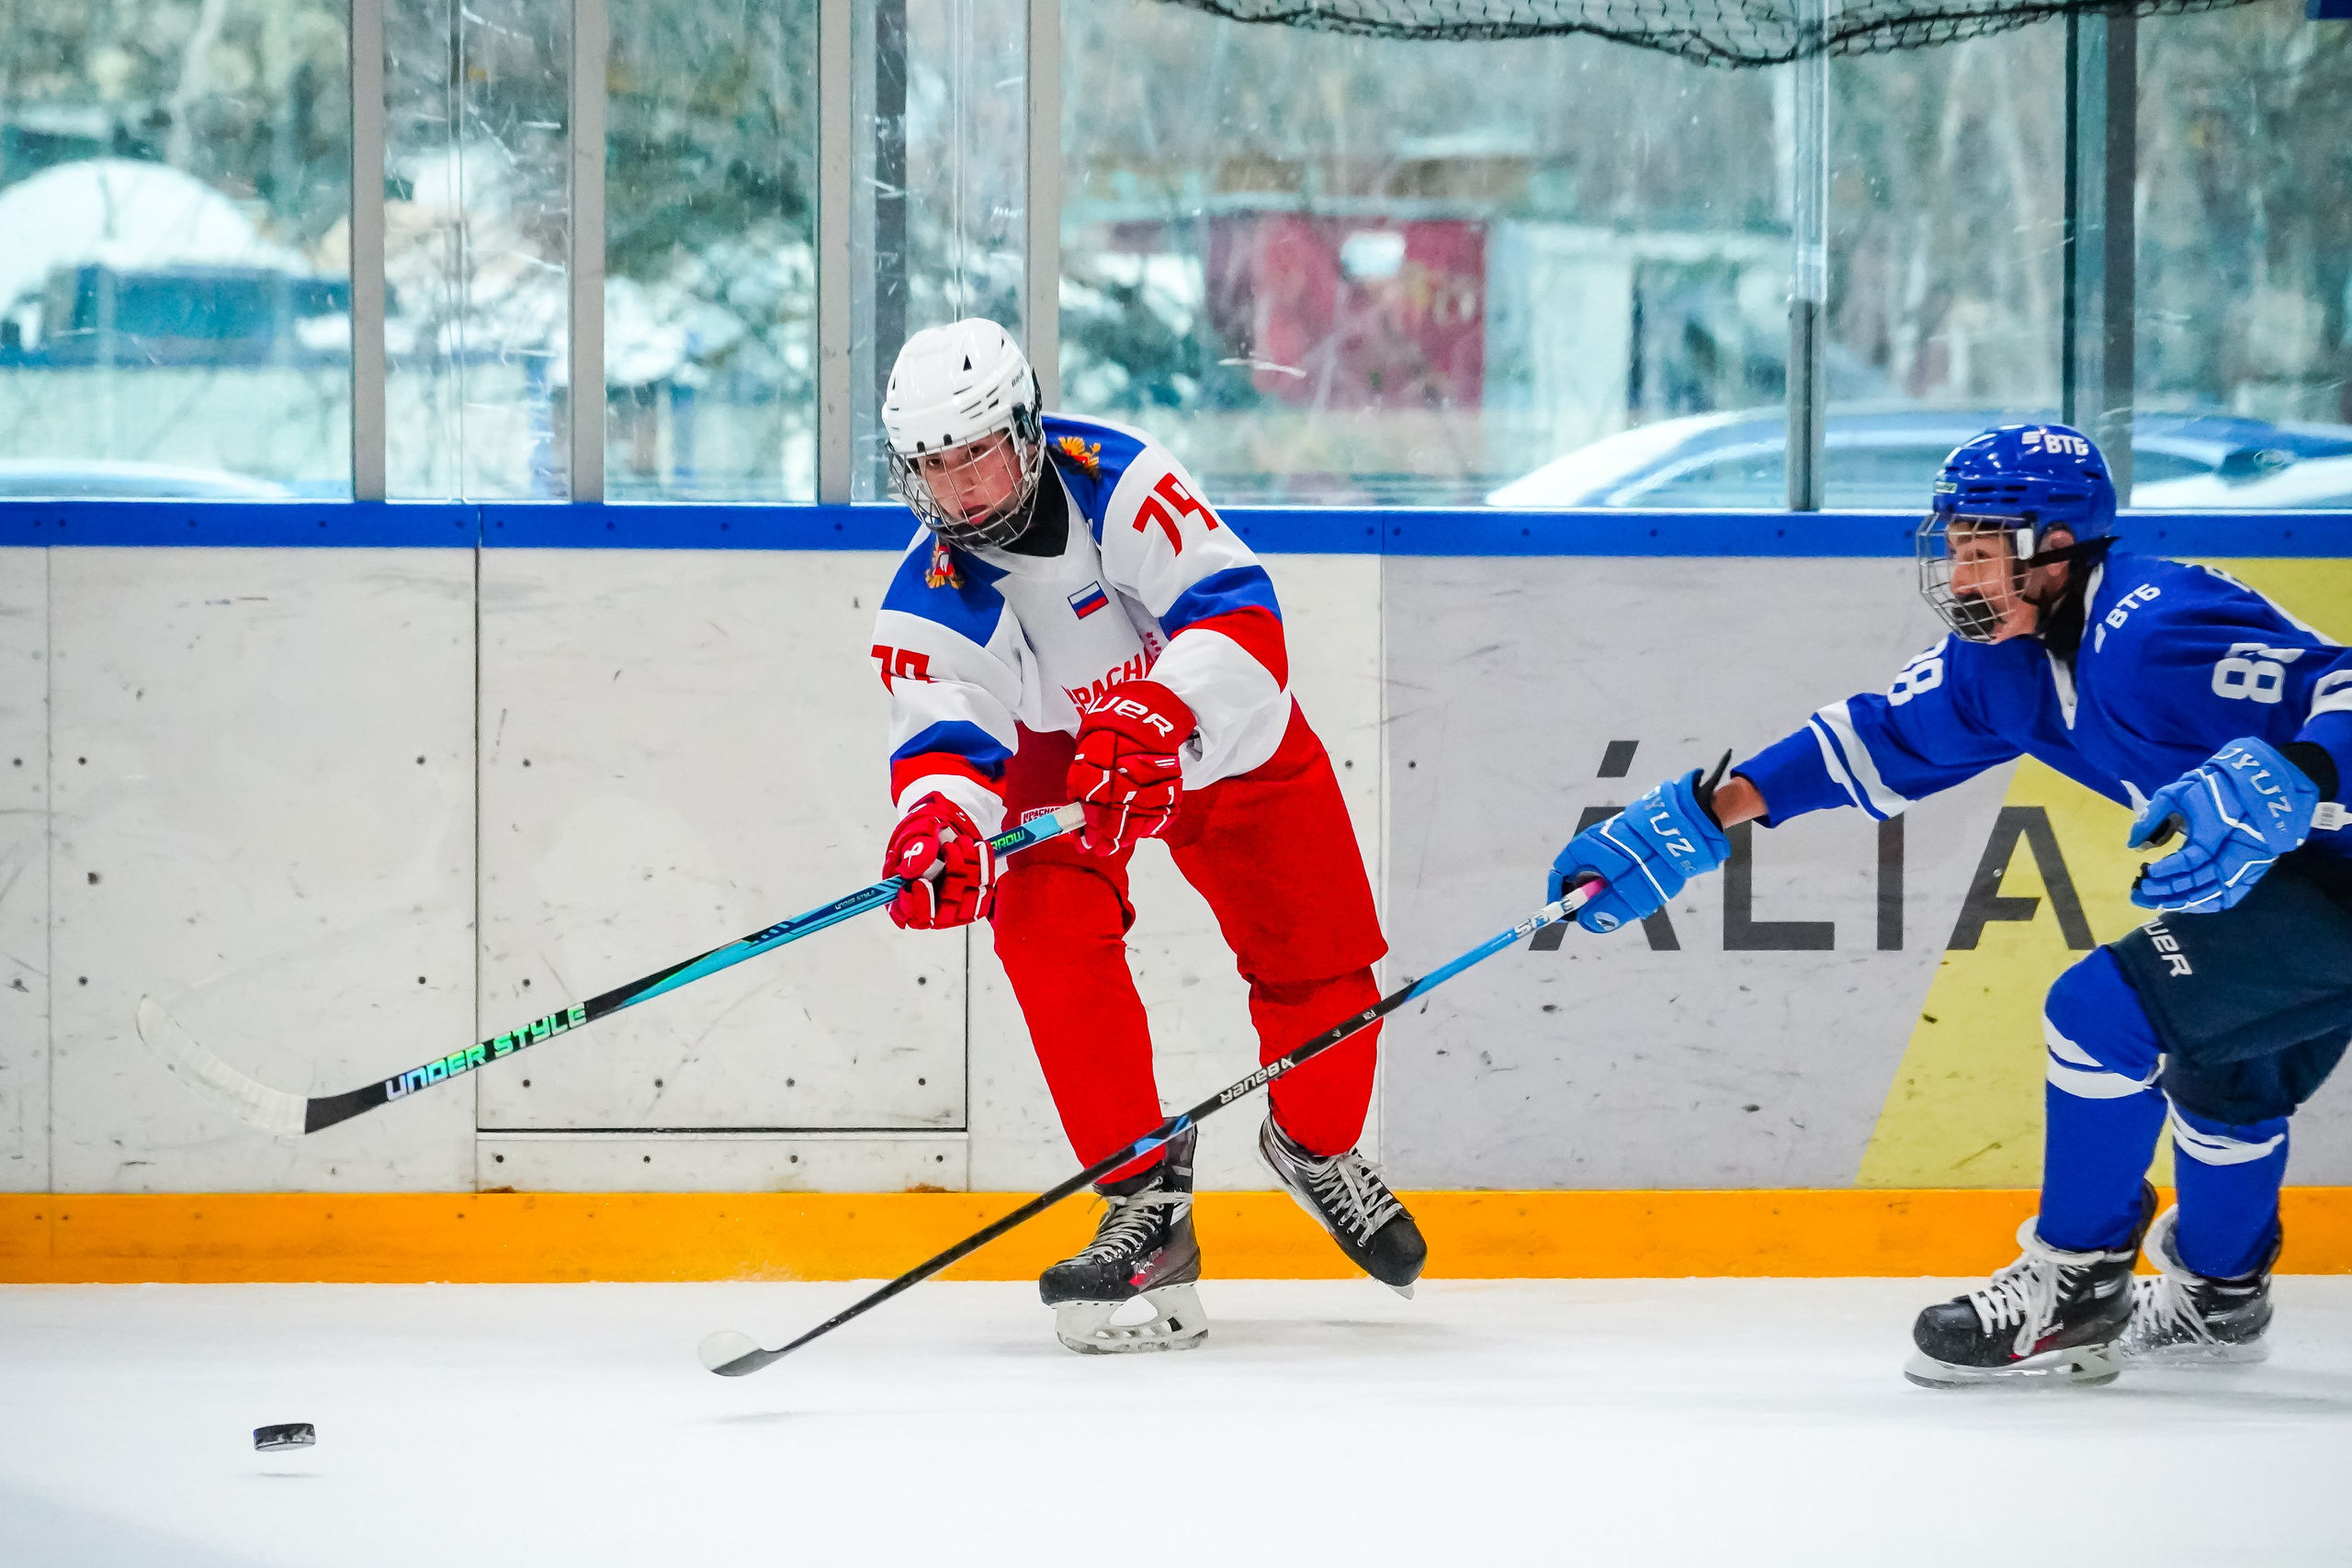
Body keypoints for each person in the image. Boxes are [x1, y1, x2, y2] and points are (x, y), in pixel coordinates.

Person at [1544, 423, 2351, 1387]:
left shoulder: (2153, 627)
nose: (1960, 574)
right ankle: (2219, 1300)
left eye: (1983, 550)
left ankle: (2077, 1281)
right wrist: (1701, 820)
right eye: (1954, 546)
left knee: (2099, 1013)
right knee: (2226, 1082)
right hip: (2298, 882)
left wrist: (2306, 768)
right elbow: (1885, 736)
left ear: (2057, 548)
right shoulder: (2004, 664)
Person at [866, 318, 1425, 1355]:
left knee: (1328, 973)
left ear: (1026, 430)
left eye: (978, 452)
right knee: (1041, 934)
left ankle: (1314, 1146)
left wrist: (1160, 714)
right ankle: (1145, 1204)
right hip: (1062, 762)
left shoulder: (1119, 479)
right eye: (935, 467)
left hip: (1223, 735)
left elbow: (1240, 614)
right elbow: (945, 734)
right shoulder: (929, 594)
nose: (963, 488)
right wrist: (939, 828)